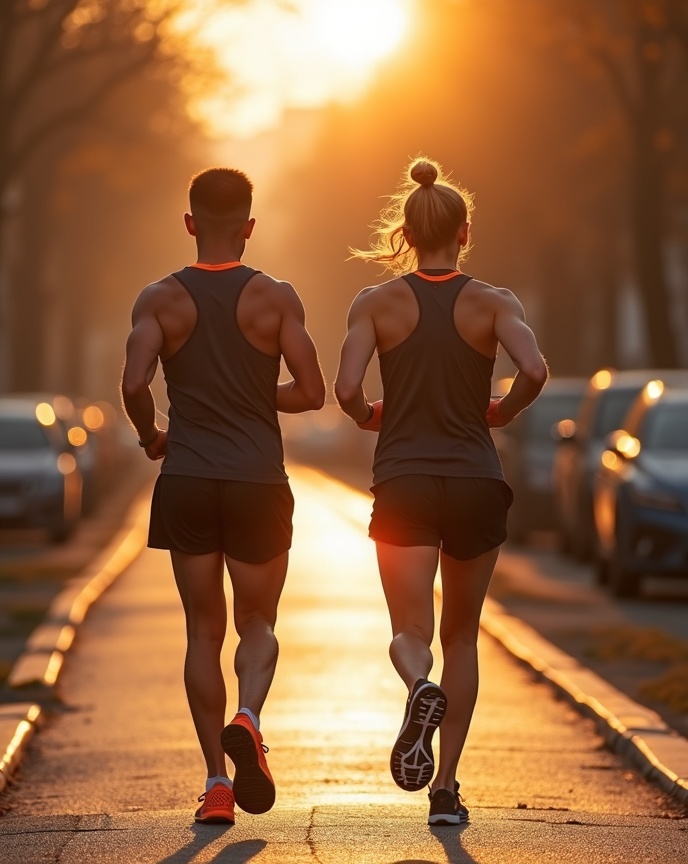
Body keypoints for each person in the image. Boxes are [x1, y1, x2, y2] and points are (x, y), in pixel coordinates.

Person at [334, 157, 548, 826]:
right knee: (463, 636)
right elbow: (535, 369)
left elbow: (345, 391)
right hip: (476, 482)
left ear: (405, 230)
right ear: (465, 231)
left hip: (403, 481)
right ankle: (446, 792)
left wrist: (375, 415)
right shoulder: (495, 303)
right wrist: (503, 412)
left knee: (410, 629)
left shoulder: (374, 305)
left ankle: (415, 686)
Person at [121, 167, 325, 825]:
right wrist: (252, 394)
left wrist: (153, 432)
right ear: (249, 226)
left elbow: (132, 382)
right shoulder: (276, 299)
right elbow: (313, 392)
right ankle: (250, 715)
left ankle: (215, 783)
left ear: (189, 224)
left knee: (201, 631)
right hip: (257, 482)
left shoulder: (159, 300)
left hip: (187, 478)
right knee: (257, 624)